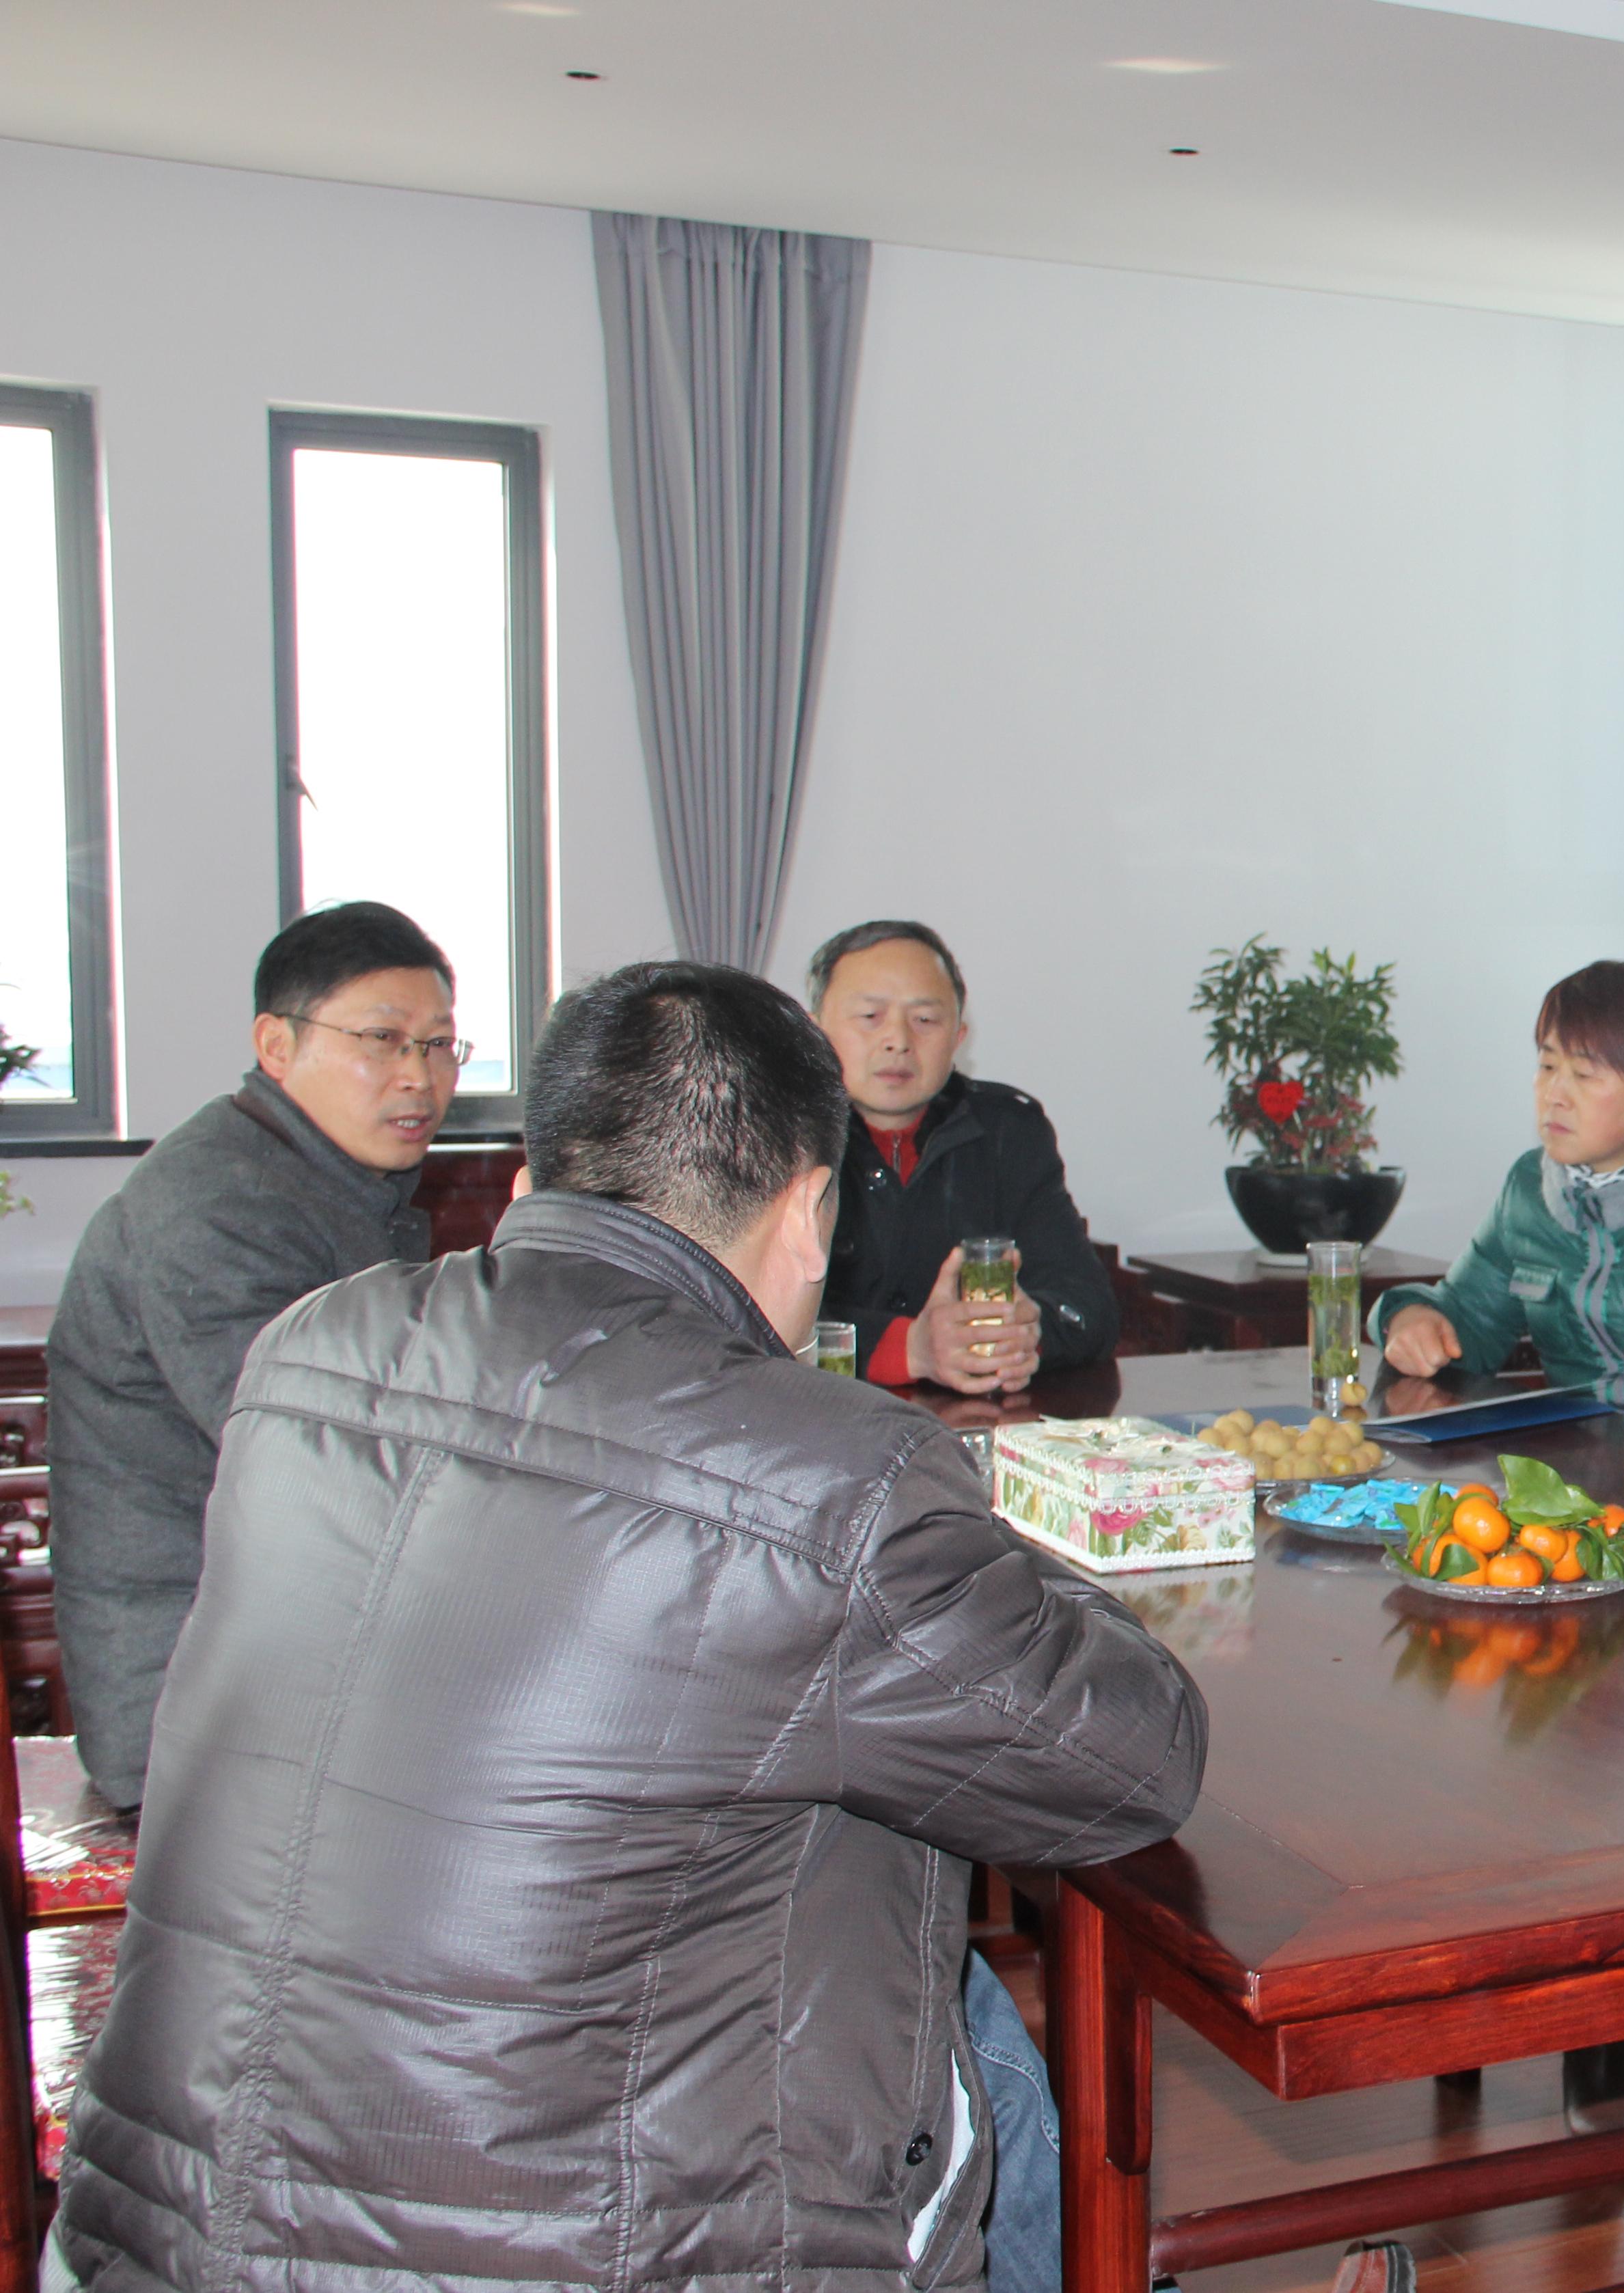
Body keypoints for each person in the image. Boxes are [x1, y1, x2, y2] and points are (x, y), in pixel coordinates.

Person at [50, 961, 1209, 2293]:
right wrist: (1000, 1537)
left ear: (526, 1184)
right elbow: (1134, 1756)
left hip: (151, 2235)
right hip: (564, 2258)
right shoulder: (826, 1473)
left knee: (945, 1991)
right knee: (926, 1976)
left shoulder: (310, 1350)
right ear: (807, 1213)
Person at [47, 901, 458, 1814]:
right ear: (277, 1045)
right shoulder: (217, 1205)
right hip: (196, 1710)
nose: (418, 1076)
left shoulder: (322, 1180)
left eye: (438, 1045)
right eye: (382, 1040)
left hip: (286, 1665)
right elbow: (324, 1462)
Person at [1373, 961, 1624, 1397]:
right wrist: (1410, 1318)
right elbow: (1469, 1319)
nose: (1554, 1095)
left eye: (1584, 1075)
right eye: (1547, 1066)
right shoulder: (1529, 1189)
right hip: (1572, 1440)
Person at [806, 920, 1117, 1392]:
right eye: (870, 1016)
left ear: (958, 1037)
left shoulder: (1008, 1133)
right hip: (824, 1421)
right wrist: (908, 1348)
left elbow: (1087, 1308)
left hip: (973, 1422)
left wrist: (1028, 1332)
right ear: (814, 1033)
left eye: (925, 1020)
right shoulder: (775, 1139)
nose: (898, 1040)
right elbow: (741, 1313)